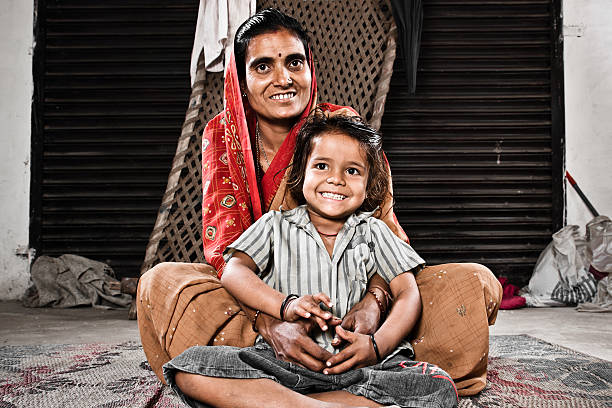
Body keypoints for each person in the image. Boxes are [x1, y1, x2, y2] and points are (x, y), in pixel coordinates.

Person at [137, 8, 502, 397]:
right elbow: (229, 258)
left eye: (294, 62)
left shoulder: (342, 128)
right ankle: (319, 373)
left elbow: (386, 230)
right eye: (263, 66)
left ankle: (270, 383)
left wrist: (373, 304)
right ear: (241, 81)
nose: (283, 78)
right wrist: (272, 321)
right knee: (162, 283)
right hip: (264, 301)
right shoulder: (221, 135)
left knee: (472, 282)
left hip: (357, 297)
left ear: (310, 67)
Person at [163, 112, 458, 408]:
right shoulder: (274, 225)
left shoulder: (374, 231)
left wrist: (376, 346)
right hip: (282, 364)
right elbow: (234, 271)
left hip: (364, 368)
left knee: (437, 386)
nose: (336, 179)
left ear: (369, 184)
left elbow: (408, 293)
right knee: (187, 368)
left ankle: (290, 404)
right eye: (321, 166)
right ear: (301, 174)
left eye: (352, 171)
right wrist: (285, 304)